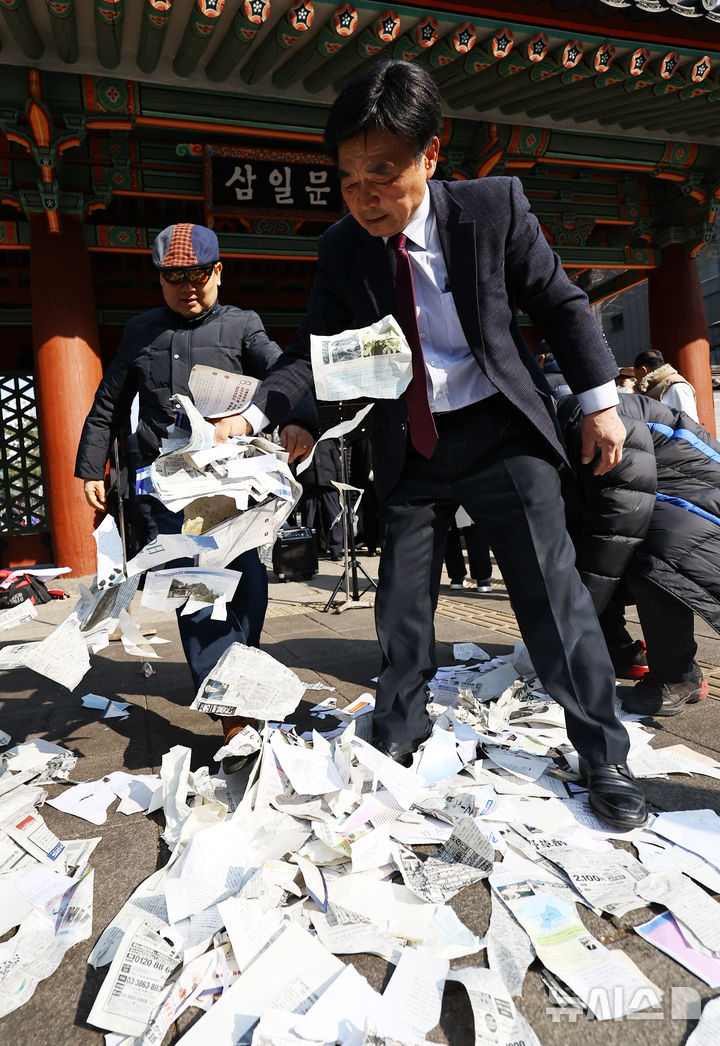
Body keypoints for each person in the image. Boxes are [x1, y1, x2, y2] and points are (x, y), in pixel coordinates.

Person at [213, 61, 647, 829]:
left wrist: (600, 402)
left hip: (499, 431)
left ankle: (602, 752)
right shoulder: (343, 250)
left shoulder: (491, 208)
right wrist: (262, 417)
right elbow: (311, 355)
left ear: (430, 155)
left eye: (383, 173)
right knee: (402, 607)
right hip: (409, 441)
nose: (366, 196)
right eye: (349, 180)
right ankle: (400, 733)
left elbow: (559, 301)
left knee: (552, 599)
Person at [75, 222, 316, 772]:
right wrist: (93, 465)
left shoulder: (243, 325)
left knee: (248, 590)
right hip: (172, 489)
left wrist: (299, 422)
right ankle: (234, 716)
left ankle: (239, 679)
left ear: (218, 272)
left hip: (233, 490)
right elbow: (108, 401)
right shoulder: (140, 331)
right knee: (200, 595)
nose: (188, 288)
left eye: (199, 277)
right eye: (174, 278)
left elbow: (285, 374)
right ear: (159, 279)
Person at [558, 390, 716, 716]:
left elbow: (621, 518)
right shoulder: (553, 412)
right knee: (584, 560)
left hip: (694, 495)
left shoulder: (579, 413)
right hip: (654, 494)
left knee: (655, 565)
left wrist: (576, 618)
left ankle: (679, 676)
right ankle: (618, 652)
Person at [299, 437, 344, 560]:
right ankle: (307, 550)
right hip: (308, 485)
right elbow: (294, 463)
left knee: (335, 518)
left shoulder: (328, 442)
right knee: (307, 521)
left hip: (329, 484)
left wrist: (340, 484)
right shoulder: (302, 440)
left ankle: (336, 550)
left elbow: (338, 465)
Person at [634, 349, 698, 421]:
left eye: (636, 376)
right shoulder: (655, 386)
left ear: (643, 370)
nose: (636, 381)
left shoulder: (676, 386)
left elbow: (688, 421)